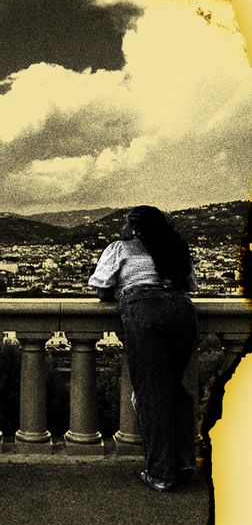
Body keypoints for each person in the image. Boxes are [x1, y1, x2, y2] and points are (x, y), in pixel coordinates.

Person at [88, 205, 198, 492]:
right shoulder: (177, 249)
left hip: (145, 309)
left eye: (126, 223)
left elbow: (101, 288)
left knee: (152, 392)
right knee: (175, 389)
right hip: (182, 312)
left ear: (134, 228)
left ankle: (160, 473)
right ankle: (185, 462)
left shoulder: (121, 248)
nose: (122, 228)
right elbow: (189, 286)